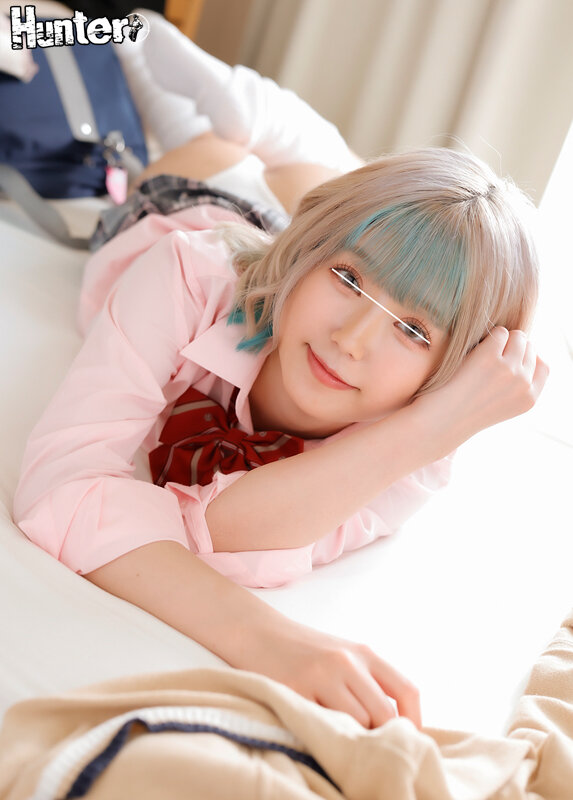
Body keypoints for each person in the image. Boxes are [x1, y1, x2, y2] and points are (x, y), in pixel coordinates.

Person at [13, 17, 548, 732]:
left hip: (300, 244)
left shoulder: (422, 440)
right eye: (350, 281)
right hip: (184, 215)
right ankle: (221, 106)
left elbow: (226, 534)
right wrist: (271, 642)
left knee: (355, 220)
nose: (352, 342)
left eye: (414, 330)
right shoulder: (186, 273)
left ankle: (258, 128)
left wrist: (423, 430)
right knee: (184, 167)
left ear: (448, 374)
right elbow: (62, 486)